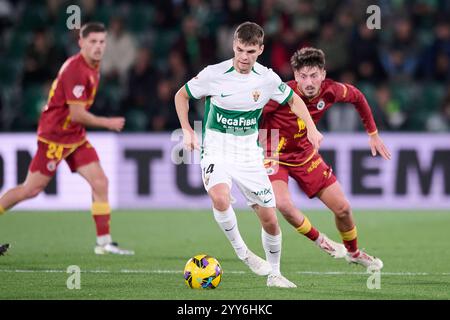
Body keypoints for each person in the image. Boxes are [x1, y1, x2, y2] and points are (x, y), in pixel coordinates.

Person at [174, 22, 323, 288]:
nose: (244, 56)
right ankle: (243, 252)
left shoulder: (267, 78)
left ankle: (275, 274)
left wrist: (311, 128)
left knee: (269, 219)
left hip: (248, 153)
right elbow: (181, 96)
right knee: (220, 198)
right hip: (217, 148)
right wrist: (187, 130)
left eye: (251, 51)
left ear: (260, 50)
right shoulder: (213, 74)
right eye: (240, 49)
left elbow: (293, 100)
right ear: (233, 45)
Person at [0, 23, 133, 256]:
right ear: (81, 43)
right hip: (54, 136)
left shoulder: (93, 66)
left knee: (100, 182)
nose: (98, 47)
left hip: (74, 136)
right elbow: (77, 114)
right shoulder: (76, 70)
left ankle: (104, 243)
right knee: (30, 189)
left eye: (102, 42)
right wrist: (107, 122)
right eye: (93, 42)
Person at [260, 47, 391, 269]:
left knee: (343, 208)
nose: (309, 82)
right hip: (274, 154)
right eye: (303, 76)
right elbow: (250, 112)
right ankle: (321, 240)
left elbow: (358, 97)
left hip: (304, 154)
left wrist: (373, 134)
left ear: (323, 73)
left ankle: (354, 252)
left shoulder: (331, 91)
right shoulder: (280, 94)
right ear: (295, 76)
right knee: (282, 204)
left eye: (313, 75)